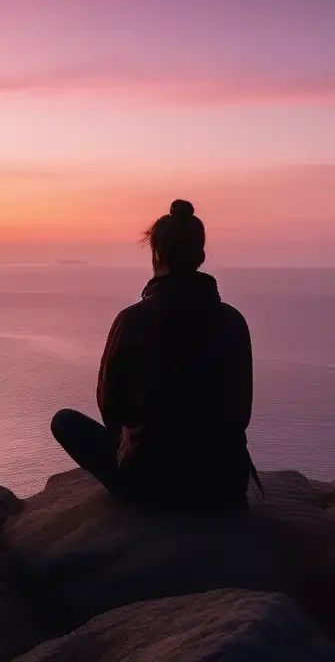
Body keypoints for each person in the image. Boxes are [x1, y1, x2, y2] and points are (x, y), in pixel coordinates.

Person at [51, 200, 258, 512]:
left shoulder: (132, 320)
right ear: (201, 256)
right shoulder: (233, 321)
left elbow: (111, 406)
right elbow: (241, 413)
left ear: (157, 254)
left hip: (154, 485)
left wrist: (134, 437)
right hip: (224, 485)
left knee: (64, 422)